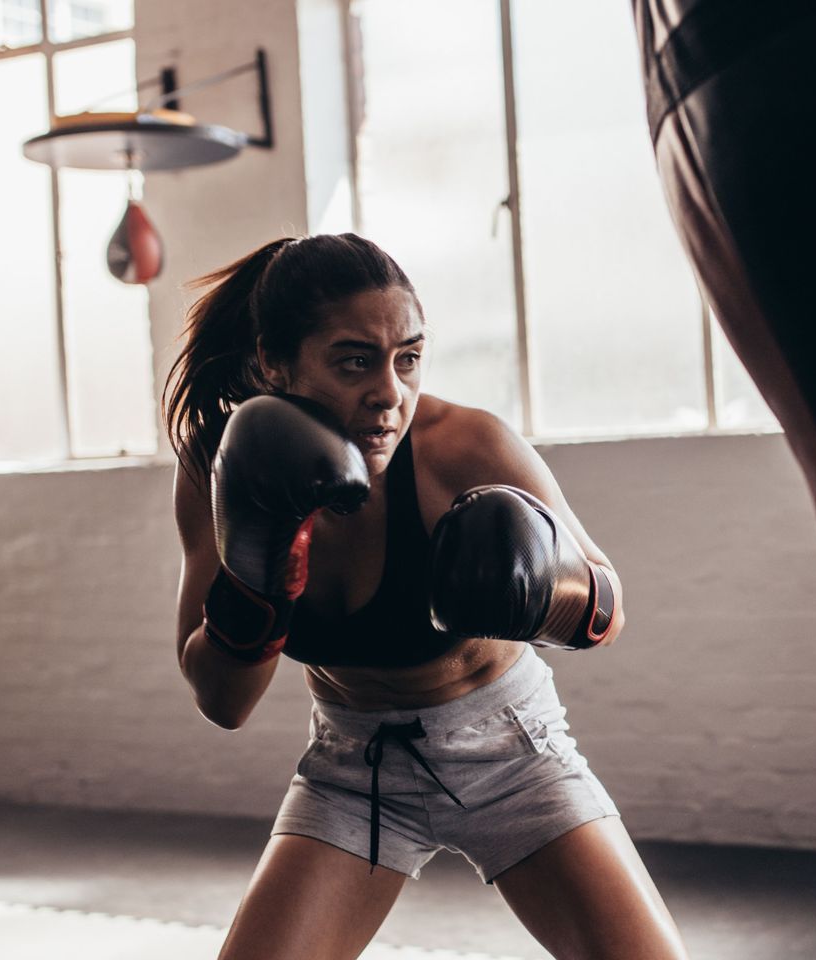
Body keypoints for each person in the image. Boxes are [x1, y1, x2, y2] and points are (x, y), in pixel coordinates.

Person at [165, 233, 689, 960]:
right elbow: (223, 702)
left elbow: (608, 609)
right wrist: (260, 570)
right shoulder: (221, 471)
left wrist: (545, 584)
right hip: (354, 767)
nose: (389, 393)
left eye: (407, 357)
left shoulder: (464, 446)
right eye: (355, 361)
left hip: (512, 753)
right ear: (272, 362)